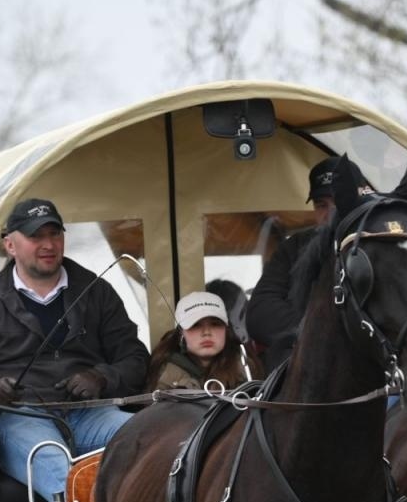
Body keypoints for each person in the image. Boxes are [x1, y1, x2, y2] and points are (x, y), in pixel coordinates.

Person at [0, 197, 148, 502]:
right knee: (62, 473)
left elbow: (136, 359)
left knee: (151, 440)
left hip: (92, 413)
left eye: (54, 234)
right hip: (22, 418)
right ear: (10, 245)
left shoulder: (96, 291)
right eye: (36, 236)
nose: (48, 244)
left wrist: (101, 378)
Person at [245, 156, 353, 372]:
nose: (331, 213)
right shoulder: (294, 247)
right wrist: (317, 331)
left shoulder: (378, 244)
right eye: (321, 205)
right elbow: (260, 311)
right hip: (304, 364)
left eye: (339, 201)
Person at [146, 291, 251, 392]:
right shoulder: (164, 375)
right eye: (195, 325)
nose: (206, 332)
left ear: (226, 329)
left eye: (215, 324)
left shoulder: (246, 368)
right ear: (181, 332)